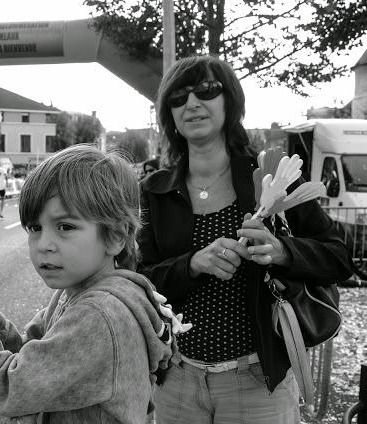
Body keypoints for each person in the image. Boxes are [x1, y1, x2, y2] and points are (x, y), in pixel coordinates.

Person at [137, 55, 352, 423]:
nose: (192, 103)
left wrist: (283, 252)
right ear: (168, 112)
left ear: (230, 100)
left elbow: (338, 256)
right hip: (177, 383)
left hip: (257, 383)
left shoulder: (271, 176)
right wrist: (191, 264)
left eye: (206, 90)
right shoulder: (154, 192)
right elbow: (138, 282)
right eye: (178, 96)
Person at [0, 144, 177, 423]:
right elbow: (28, 354)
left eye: (65, 227)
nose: (44, 245)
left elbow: (7, 390)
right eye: (35, 228)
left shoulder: (99, 315)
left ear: (116, 236)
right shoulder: (76, 293)